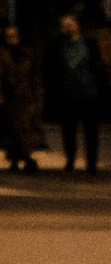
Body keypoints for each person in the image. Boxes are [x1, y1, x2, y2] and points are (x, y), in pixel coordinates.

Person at [44, 10, 101, 176]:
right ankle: (70, 158)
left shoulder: (89, 43)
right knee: (68, 129)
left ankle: (91, 163)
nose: (68, 28)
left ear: (77, 25)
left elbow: (97, 66)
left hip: (89, 92)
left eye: (70, 24)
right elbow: (50, 68)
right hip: (67, 93)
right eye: (65, 25)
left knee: (91, 130)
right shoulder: (58, 45)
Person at [0, 23, 46, 176]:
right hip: (8, 96)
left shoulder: (27, 53)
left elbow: (33, 75)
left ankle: (26, 156)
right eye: (9, 36)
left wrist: (36, 94)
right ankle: (15, 157)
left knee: (25, 127)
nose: (12, 39)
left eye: (15, 36)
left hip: (26, 96)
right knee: (9, 127)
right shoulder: (0, 53)